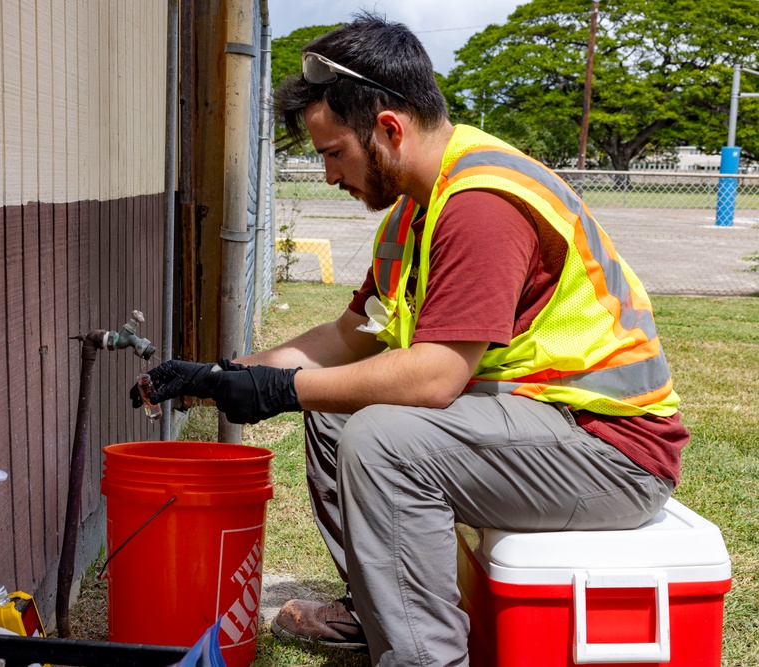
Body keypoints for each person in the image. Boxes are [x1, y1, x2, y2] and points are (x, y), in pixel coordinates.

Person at [130, 12, 688, 667]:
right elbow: (350, 335)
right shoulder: (414, 212)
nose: (331, 175)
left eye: (334, 153)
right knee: (337, 418)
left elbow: (435, 377)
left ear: (389, 129)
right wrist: (223, 372)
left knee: (381, 439)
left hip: (612, 455)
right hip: (545, 425)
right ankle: (374, 613)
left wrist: (282, 389)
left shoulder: (480, 205)